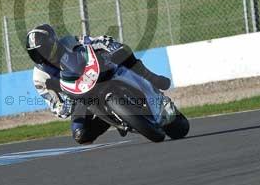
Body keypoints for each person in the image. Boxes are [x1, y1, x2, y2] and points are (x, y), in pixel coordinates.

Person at [26, 24, 171, 144]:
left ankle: (151, 77)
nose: (41, 55)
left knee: (123, 52)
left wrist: (111, 45)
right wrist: (67, 105)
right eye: (35, 53)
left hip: (99, 71)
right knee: (81, 135)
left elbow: (94, 41)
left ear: (53, 43)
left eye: (43, 49)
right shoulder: (39, 77)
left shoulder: (69, 42)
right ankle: (118, 119)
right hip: (80, 96)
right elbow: (55, 107)